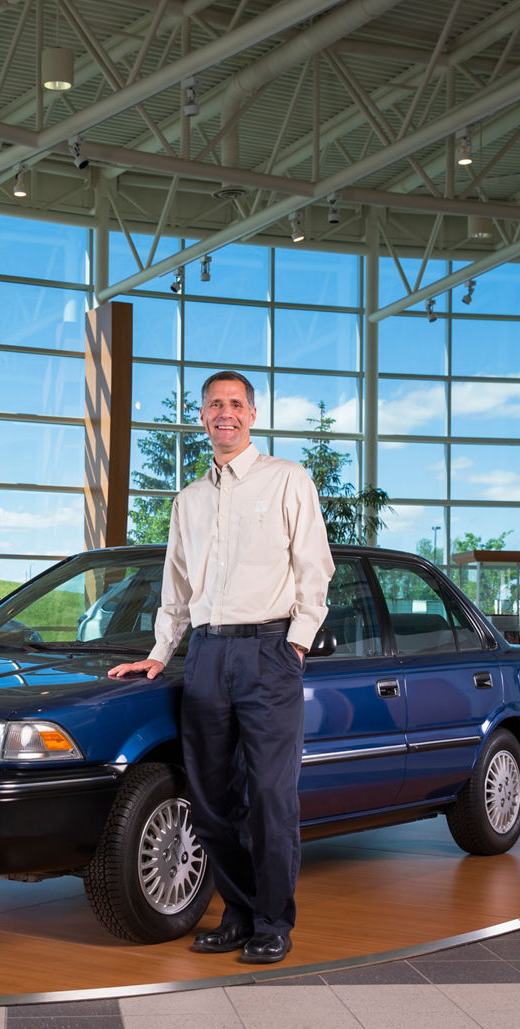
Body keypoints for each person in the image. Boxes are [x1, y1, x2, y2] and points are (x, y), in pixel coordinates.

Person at [109, 371, 334, 964]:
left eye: (235, 404)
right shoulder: (189, 500)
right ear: (202, 417)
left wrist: (298, 643)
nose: (224, 413)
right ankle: (236, 914)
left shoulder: (287, 479)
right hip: (206, 654)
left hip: (269, 650)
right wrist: (160, 655)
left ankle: (272, 921)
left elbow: (315, 567)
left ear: (252, 414)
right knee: (210, 798)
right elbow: (176, 591)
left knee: (269, 796)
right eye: (214, 405)